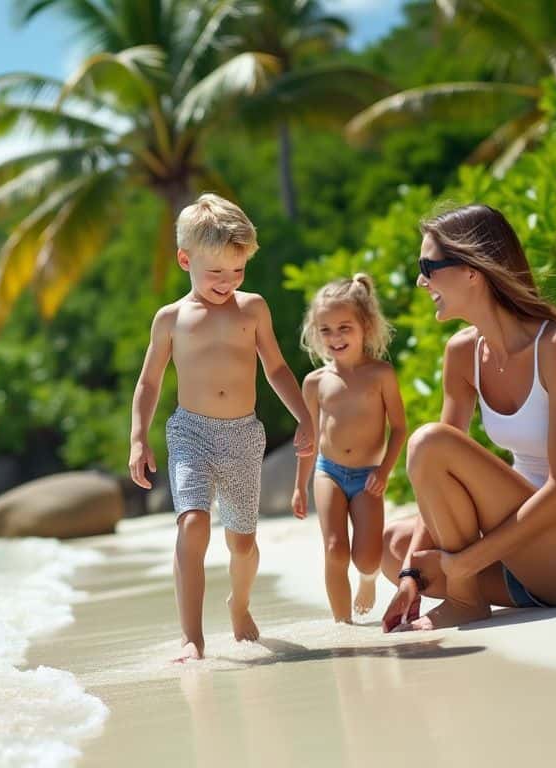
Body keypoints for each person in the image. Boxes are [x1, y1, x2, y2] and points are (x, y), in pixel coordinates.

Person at [382, 204, 556, 632]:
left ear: (472, 271)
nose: (420, 280)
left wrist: (463, 565)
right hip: (531, 545)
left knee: (429, 442)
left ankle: (467, 600)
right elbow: (436, 482)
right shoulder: (463, 353)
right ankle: (489, 586)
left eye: (428, 265)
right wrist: (410, 576)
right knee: (393, 547)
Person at [129, 193, 315, 662]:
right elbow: (150, 381)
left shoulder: (252, 309)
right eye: (216, 273)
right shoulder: (171, 319)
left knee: (243, 542)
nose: (228, 283)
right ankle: (192, 638)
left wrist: (305, 417)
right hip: (189, 432)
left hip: (243, 435)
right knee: (193, 525)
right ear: (185, 260)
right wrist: (138, 436)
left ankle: (240, 602)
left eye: (238, 271)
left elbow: (275, 368)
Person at [293, 275, 407, 623]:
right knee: (334, 549)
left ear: (366, 326)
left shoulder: (381, 375)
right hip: (328, 472)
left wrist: (384, 472)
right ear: (315, 333)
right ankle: (342, 624)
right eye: (325, 330)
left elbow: (400, 429)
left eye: (344, 327)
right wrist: (300, 486)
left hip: (368, 476)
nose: (335, 337)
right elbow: (309, 441)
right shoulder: (315, 383)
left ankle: (368, 580)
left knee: (367, 558)